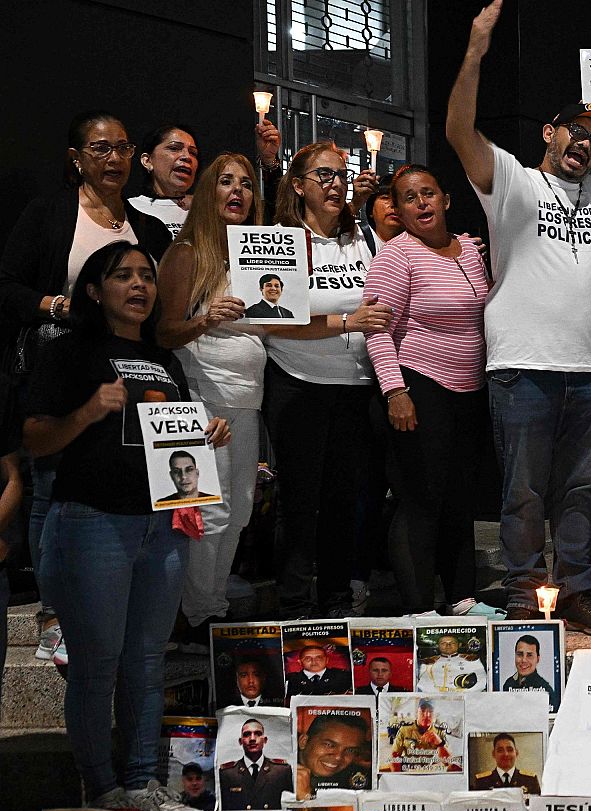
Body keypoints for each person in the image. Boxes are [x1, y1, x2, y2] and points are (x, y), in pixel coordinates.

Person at [24, 241, 226, 811]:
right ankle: (103, 786)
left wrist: (203, 437)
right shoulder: (70, 352)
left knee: (146, 662)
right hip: (91, 523)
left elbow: (172, 450)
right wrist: (88, 411)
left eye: (146, 276)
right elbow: (36, 441)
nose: (139, 285)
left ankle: (142, 781)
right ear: (94, 289)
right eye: (123, 276)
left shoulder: (168, 361)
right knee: (98, 665)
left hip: (159, 529)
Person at [447, 1, 591, 635]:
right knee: (523, 492)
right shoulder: (514, 184)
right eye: (576, 131)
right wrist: (473, 54)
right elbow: (460, 133)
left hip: (590, 371)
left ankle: (576, 588)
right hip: (522, 366)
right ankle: (525, 589)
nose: (586, 144)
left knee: (579, 492)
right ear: (550, 131)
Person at [1, 112, 175, 669]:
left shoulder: (148, 227)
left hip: (128, 371)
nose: (113, 159)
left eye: (122, 148)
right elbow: (6, 285)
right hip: (60, 362)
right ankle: (54, 616)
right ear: (76, 157)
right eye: (100, 149)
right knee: (49, 487)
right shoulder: (50, 213)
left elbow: (159, 304)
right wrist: (58, 304)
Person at [264, 140, 390, 620]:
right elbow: (270, 318)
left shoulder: (364, 239)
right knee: (300, 500)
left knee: (342, 500)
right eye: (323, 176)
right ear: (298, 186)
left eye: (340, 174)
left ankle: (336, 603)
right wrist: (346, 323)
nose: (335, 183)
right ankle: (294, 604)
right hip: (298, 382)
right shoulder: (280, 238)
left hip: (355, 389)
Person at [364, 163, 491, 614]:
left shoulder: (471, 251)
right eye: (409, 198)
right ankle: (418, 609)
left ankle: (462, 600)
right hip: (418, 386)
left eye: (429, 193)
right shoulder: (397, 256)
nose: (422, 203)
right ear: (397, 210)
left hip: (468, 391)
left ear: (446, 200)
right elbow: (377, 329)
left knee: (459, 499)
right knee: (420, 500)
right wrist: (395, 391)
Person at [155, 152, 267, 632]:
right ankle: (197, 618)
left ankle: (212, 608)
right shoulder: (185, 253)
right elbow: (161, 334)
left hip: (248, 402)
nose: (237, 191)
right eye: (225, 182)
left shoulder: (260, 253)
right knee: (206, 514)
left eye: (245, 183)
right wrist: (206, 319)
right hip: (201, 400)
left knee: (240, 511)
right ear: (207, 193)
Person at [129, 125, 199, 238]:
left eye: (193, 153)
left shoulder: (206, 210)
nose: (187, 157)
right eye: (174, 148)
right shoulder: (129, 209)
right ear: (147, 161)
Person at [219, 717, 294, 810]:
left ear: (265, 740)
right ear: (240, 741)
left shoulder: (281, 771)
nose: (252, 738)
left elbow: (289, 809)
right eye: (247, 734)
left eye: (258, 734)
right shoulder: (228, 773)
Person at [294, 713, 370, 796]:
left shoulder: (355, 780)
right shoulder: (281, 771)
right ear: (303, 742)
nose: (338, 757)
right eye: (329, 745)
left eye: (350, 750)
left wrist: (304, 796)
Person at [388, 698, 452, 769]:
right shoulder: (405, 730)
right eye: (423, 710)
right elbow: (394, 756)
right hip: (409, 769)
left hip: (429, 770)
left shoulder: (439, 732)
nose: (427, 715)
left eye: (431, 711)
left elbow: (449, 762)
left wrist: (440, 743)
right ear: (417, 712)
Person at [471, 732, 540, 792]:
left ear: (516, 753)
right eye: (500, 750)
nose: (506, 754)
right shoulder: (482, 781)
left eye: (510, 750)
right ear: (493, 754)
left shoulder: (530, 780)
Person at [418, 634, 486, 692]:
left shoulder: (470, 659)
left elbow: (482, 680)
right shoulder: (429, 661)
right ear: (438, 645)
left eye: (452, 643)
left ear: (459, 645)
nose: (448, 645)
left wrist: (466, 693)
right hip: (437, 699)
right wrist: (437, 695)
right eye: (443, 643)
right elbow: (422, 683)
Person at [286, 645, 352, 696]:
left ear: (327, 660)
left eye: (319, 658)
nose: (314, 662)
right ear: (300, 662)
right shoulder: (291, 679)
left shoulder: (342, 676)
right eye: (308, 659)